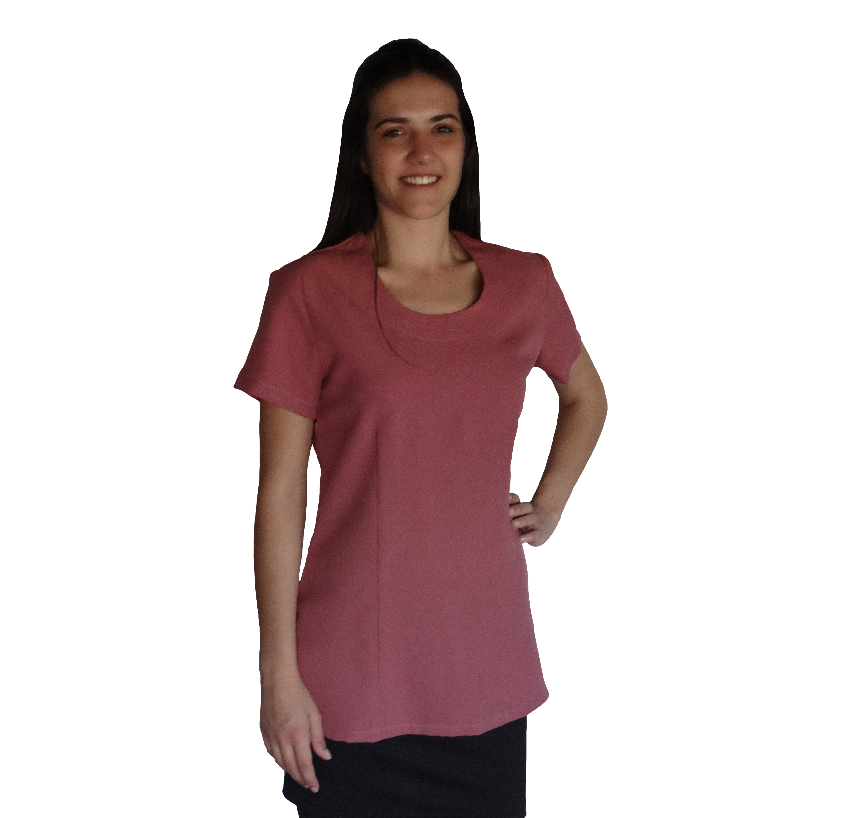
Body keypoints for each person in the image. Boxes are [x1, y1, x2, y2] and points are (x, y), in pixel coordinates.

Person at [234, 38, 607, 818]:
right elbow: (280, 497)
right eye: (393, 130)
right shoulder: (307, 293)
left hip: (484, 670)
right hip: (345, 680)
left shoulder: (525, 282)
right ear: (361, 153)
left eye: (442, 127)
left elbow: (586, 396)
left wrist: (549, 502)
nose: (420, 151)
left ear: (466, 145)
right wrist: (279, 676)